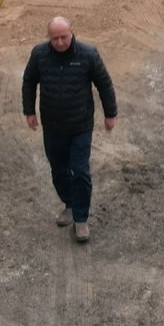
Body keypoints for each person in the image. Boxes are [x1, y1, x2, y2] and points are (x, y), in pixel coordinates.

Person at [22, 17, 118, 244]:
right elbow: (29, 81)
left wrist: (110, 114)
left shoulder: (87, 54)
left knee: (80, 171)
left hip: (80, 126)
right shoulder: (39, 54)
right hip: (52, 126)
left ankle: (81, 219)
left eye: (64, 37)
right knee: (58, 170)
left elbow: (104, 83)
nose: (60, 42)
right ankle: (69, 203)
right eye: (54, 38)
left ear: (72, 33)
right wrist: (29, 111)